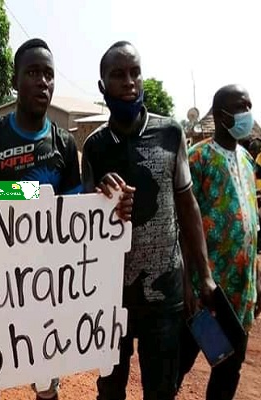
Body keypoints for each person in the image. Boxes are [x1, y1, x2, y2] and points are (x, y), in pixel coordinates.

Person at [0, 38, 134, 400]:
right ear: (15, 81)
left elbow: (73, 221)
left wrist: (105, 205)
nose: (43, 81)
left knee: (46, 385)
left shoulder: (64, 144)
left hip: (46, 288)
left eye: (48, 74)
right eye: (32, 73)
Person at [81, 41, 216, 400]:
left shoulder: (171, 134)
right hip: (111, 299)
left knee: (161, 390)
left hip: (165, 295)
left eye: (135, 72)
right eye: (118, 74)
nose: (129, 82)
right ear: (102, 86)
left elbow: (188, 208)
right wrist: (98, 200)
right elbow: (81, 227)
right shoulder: (94, 147)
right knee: (110, 391)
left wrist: (201, 275)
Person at [177, 84, 261, 400]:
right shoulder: (197, 159)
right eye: (242, 107)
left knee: (228, 370)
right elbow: (182, 226)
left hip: (238, 295)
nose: (247, 114)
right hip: (204, 297)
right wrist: (186, 285)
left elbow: (251, 224)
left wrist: (255, 278)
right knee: (179, 365)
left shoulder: (247, 160)